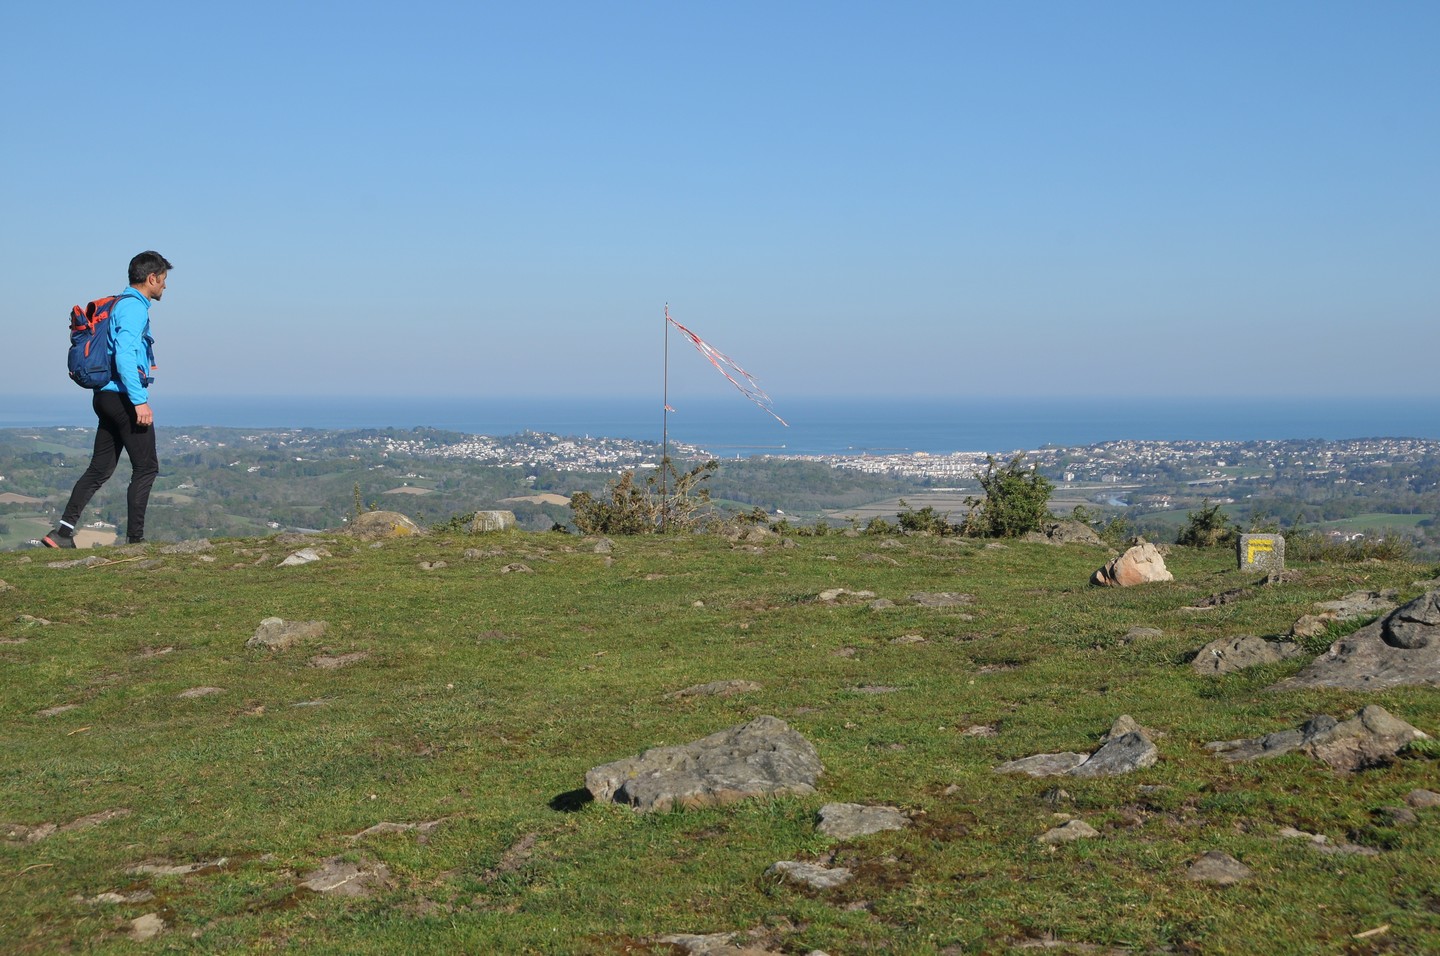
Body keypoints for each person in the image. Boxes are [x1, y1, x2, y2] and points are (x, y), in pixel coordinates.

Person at [44, 251, 172, 548]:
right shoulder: (134, 308)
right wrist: (140, 401)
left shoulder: (118, 303)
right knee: (146, 467)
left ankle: (62, 533)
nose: (165, 287)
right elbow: (126, 354)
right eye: (163, 280)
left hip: (105, 396)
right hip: (123, 398)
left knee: (100, 468)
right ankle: (136, 540)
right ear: (151, 278)